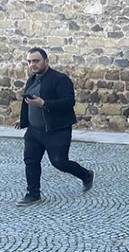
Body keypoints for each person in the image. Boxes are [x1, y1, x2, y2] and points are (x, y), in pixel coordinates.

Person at [13, 47, 94, 206]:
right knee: (30, 161)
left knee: (59, 162)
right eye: (29, 62)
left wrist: (44, 103)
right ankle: (33, 194)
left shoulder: (60, 79)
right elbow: (27, 103)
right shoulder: (31, 79)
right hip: (34, 131)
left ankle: (86, 175)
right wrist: (23, 120)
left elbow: (68, 101)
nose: (32, 65)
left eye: (36, 61)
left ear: (46, 61)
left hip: (57, 130)